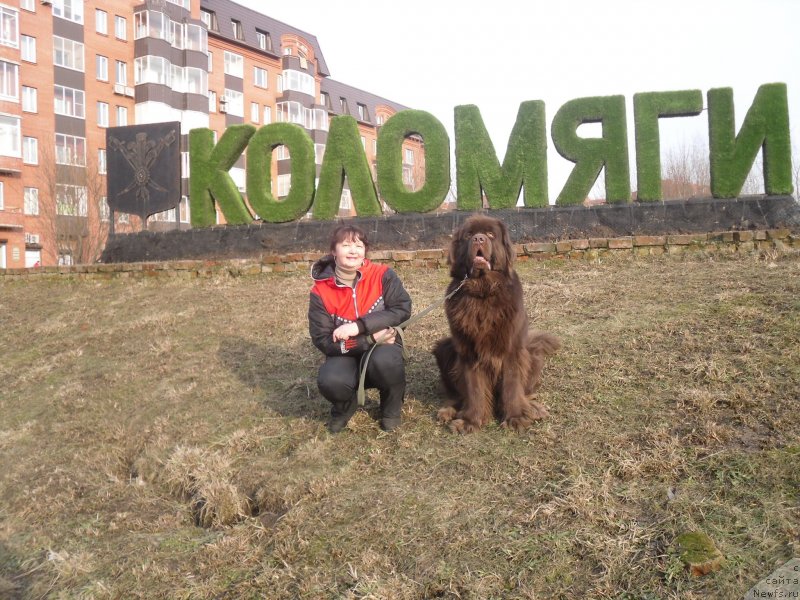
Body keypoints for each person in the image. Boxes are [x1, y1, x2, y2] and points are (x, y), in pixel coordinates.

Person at [308, 224, 412, 433]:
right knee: (330, 380)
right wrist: (367, 339)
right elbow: (324, 340)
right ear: (333, 251)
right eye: (346, 245)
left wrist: (360, 326)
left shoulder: (383, 274)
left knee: (386, 362)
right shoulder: (320, 291)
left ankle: (390, 407)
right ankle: (346, 405)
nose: (353, 250)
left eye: (359, 245)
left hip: (384, 346)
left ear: (365, 250)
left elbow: (402, 308)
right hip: (345, 351)